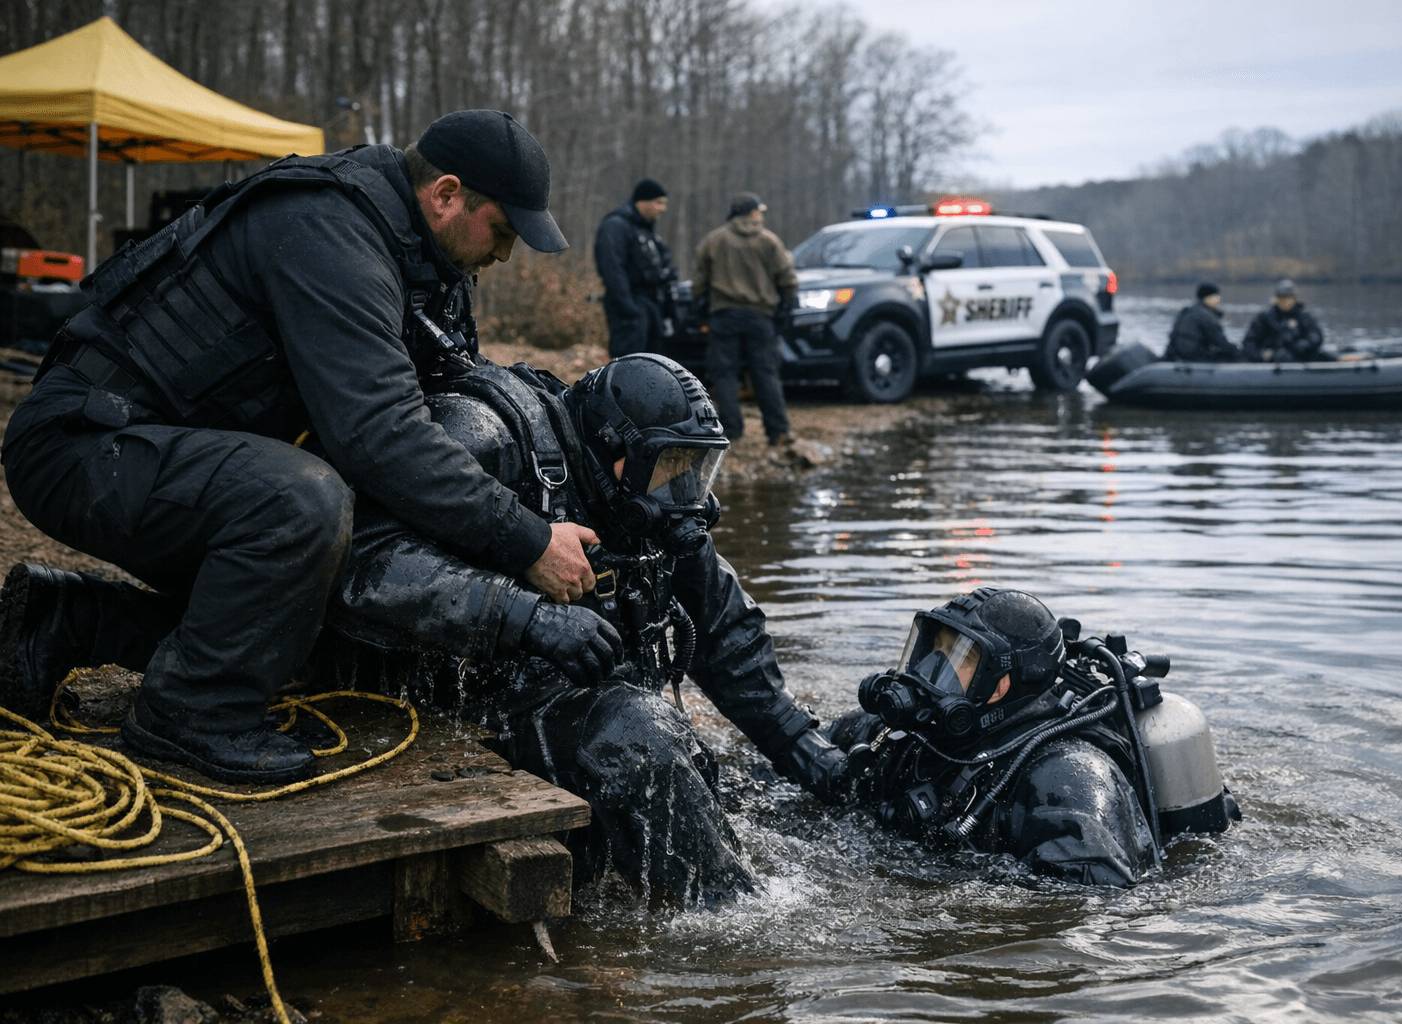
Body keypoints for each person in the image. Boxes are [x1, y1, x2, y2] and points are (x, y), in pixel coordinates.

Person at [3, 353, 851, 905]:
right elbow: (363, 561)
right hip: (395, 653)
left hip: (474, 671)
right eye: (671, 468)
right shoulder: (487, 434)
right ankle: (738, 931)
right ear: (614, 446)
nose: (684, 493)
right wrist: (520, 615)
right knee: (641, 739)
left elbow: (728, 632)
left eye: (698, 469)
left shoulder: (661, 510)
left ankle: (68, 616)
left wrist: (804, 748)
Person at [0, 109, 599, 785]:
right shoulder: (330, 231)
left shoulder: (421, 254)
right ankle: (188, 714)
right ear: (447, 194)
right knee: (303, 503)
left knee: (318, 603)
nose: (506, 253)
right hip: (83, 443)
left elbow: (447, 401)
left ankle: (70, 619)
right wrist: (527, 541)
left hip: (175, 448)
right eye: (503, 230)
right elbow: (383, 434)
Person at [827, 588, 1241, 886]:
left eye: (958, 659)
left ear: (1002, 681)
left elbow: (1086, 915)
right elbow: (809, 759)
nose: (934, 670)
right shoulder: (910, 732)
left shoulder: (1067, 780)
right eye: (934, 649)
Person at [693, 192, 797, 445]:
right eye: (759, 211)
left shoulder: (713, 241)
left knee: (725, 375)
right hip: (761, 318)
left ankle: (731, 432)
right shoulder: (769, 241)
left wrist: (700, 310)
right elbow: (787, 279)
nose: (761, 215)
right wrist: (786, 309)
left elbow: (699, 284)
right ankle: (778, 431)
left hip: (724, 316)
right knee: (766, 374)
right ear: (753, 213)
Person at [594, 178, 678, 358]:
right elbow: (613, 269)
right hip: (631, 306)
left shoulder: (645, 231)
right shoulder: (616, 226)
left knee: (650, 365)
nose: (663, 208)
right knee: (628, 363)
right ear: (643, 202)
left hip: (651, 306)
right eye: (659, 203)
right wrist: (629, 309)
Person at [1242, 279, 1327, 362]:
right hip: (1271, 362)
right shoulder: (1264, 318)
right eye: (1282, 297)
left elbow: (1316, 336)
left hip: (1299, 358)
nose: (1285, 301)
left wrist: (1303, 345)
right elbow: (1248, 342)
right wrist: (1261, 355)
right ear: (1276, 299)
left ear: (1295, 299)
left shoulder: (1305, 317)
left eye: (1288, 297)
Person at [1165, 282, 1242, 362]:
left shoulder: (1187, 311)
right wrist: (1239, 352)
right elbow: (1220, 341)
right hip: (1193, 357)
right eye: (1216, 296)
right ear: (1208, 298)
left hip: (1176, 355)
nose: (1219, 300)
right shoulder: (1205, 315)